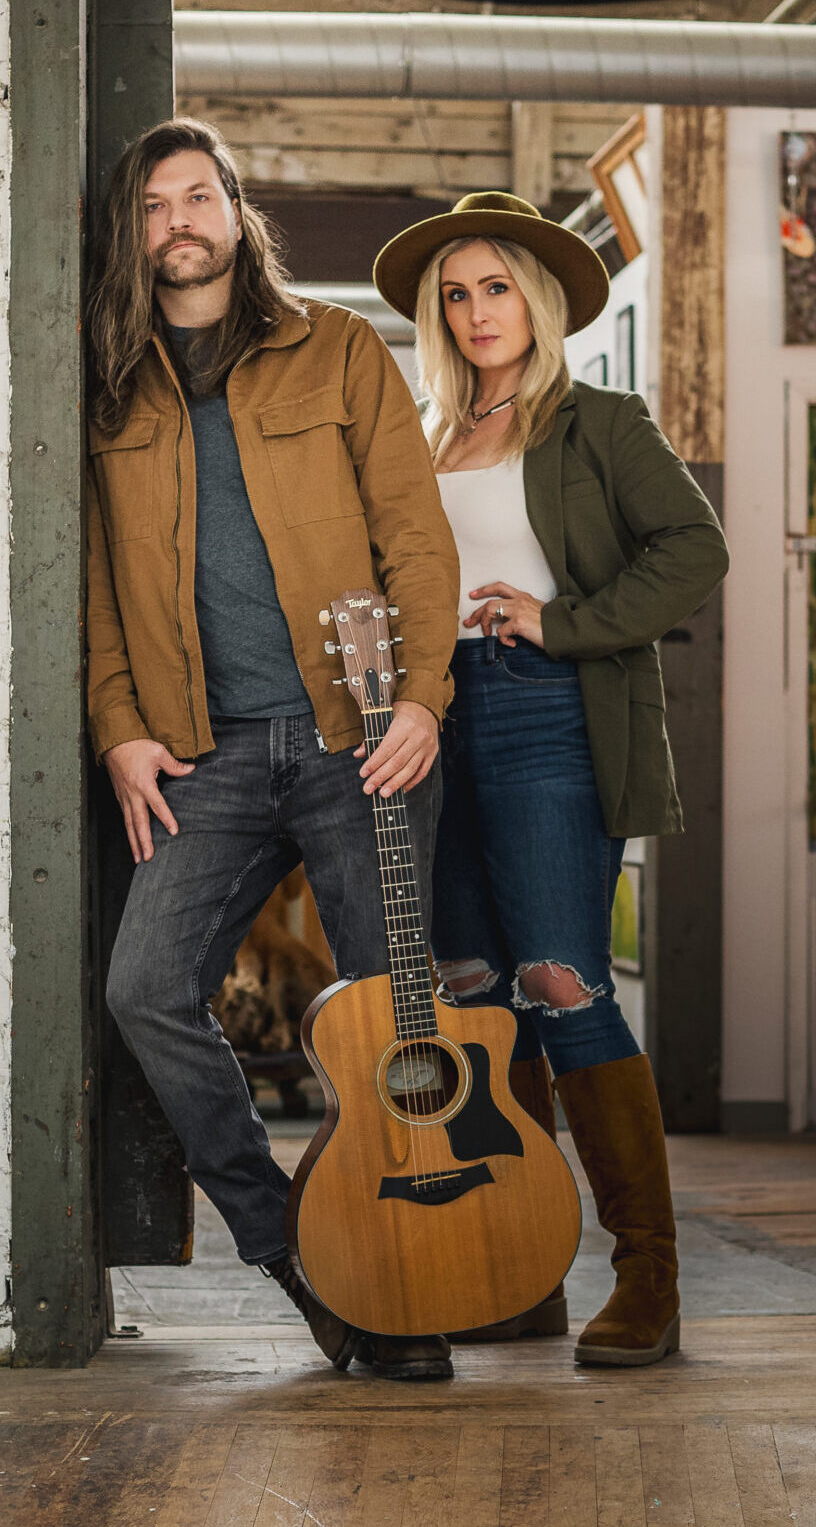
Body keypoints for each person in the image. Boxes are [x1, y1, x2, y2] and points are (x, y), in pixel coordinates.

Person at [85, 116, 461, 1381]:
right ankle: (293, 1249)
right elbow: (89, 583)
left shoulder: (340, 348)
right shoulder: (108, 380)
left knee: (385, 1018)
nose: (178, 221)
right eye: (152, 206)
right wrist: (121, 731)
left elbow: (412, 532)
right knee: (142, 987)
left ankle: (401, 1286)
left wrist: (420, 700)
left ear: (237, 213)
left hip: (361, 735)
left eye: (198, 196)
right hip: (208, 751)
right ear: (132, 232)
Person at [373, 192, 729, 1368]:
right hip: (437, 718)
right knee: (475, 995)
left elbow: (695, 550)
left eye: (498, 285)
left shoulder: (600, 422)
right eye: (458, 292)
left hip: (545, 709)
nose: (480, 310)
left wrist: (563, 619)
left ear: (537, 297)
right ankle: (520, 1268)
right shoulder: (421, 440)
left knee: (560, 979)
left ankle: (648, 1275)